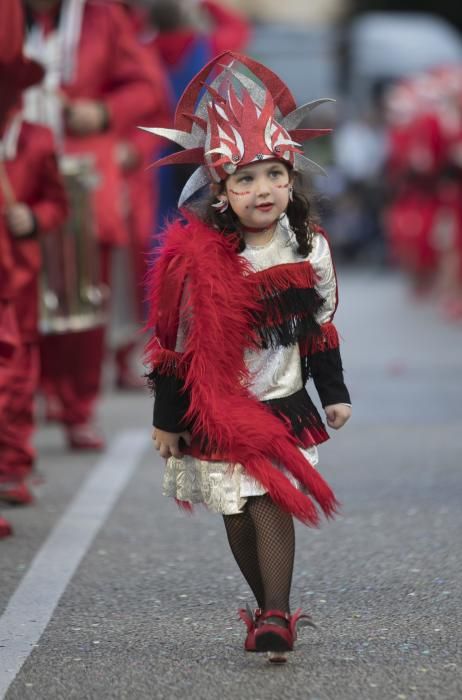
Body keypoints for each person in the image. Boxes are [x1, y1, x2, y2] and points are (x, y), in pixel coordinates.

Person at [144, 52, 352, 660]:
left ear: (291, 179)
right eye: (244, 180)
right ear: (221, 194)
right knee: (234, 511)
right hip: (218, 407)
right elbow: (177, 347)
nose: (263, 190)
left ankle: (277, 614)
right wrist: (168, 420)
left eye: (273, 175)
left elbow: (319, 330)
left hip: (280, 404)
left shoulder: (309, 248)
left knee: (266, 499)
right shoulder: (201, 262)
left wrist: (333, 394)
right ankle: (265, 606)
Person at [22, 0, 168, 449]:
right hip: (19, 165)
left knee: (87, 287)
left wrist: (104, 113)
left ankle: (76, 406)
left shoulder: (102, 17)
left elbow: (147, 88)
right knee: (21, 286)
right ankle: (28, 397)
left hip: (83, 171)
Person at [0, 7, 68, 511]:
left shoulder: (36, 140)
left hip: (18, 278)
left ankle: (11, 467)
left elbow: (57, 203)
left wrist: (34, 219)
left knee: (17, 373)